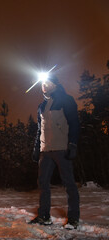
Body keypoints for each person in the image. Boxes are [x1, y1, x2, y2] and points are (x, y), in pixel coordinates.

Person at [29, 75, 80, 229]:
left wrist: (72, 144)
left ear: (55, 84)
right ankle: (44, 216)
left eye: (47, 83)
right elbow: (40, 130)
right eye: (42, 83)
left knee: (69, 183)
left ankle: (73, 219)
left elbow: (74, 124)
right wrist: (37, 149)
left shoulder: (66, 100)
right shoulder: (42, 106)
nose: (43, 86)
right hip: (46, 151)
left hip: (62, 148)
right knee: (43, 183)